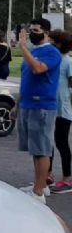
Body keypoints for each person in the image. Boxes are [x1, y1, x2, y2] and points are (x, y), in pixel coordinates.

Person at [13, 18, 61, 204]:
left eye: (35, 30)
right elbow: (26, 80)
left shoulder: (52, 53)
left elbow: (38, 69)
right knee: (35, 149)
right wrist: (17, 104)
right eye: (30, 30)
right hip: (28, 105)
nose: (31, 33)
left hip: (42, 107)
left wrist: (22, 47)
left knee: (42, 149)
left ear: (46, 33)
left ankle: (38, 192)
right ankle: (40, 184)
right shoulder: (33, 52)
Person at [49, 30, 72, 194]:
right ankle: (47, 174)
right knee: (48, 142)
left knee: (61, 143)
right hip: (51, 107)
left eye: (53, 41)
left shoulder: (69, 62)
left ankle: (67, 178)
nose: (50, 44)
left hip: (64, 109)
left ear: (60, 44)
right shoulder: (55, 61)